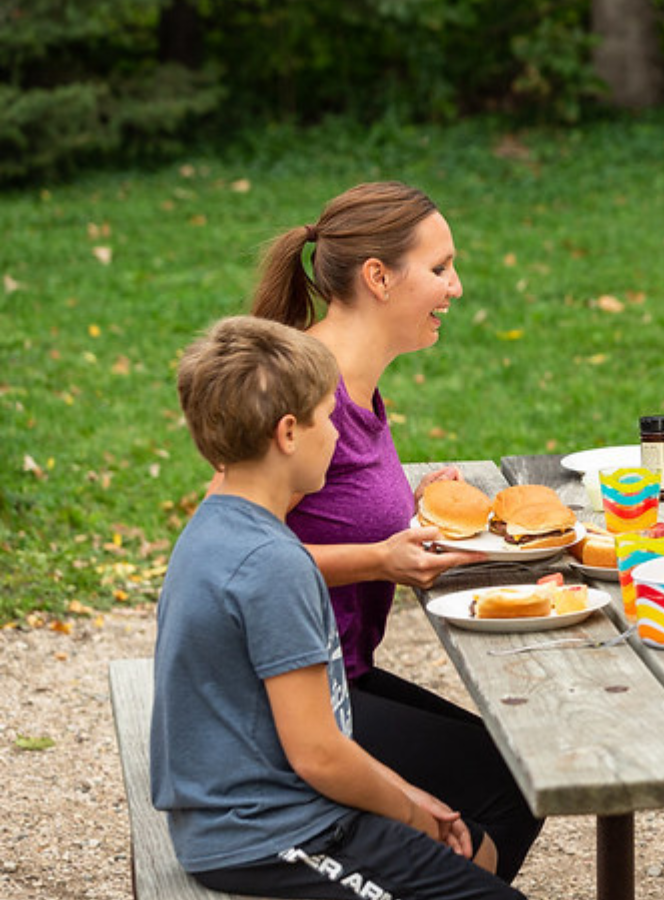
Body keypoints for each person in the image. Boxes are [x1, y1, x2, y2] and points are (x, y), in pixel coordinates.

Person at [153, 316, 524, 899]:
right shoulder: (273, 564)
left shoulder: (218, 526)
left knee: (476, 845)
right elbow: (320, 755)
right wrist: (412, 810)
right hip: (269, 836)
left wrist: (411, 797)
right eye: (328, 416)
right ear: (288, 434)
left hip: (265, 811)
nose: (336, 433)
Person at [250, 181, 539, 883]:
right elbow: (234, 555)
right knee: (509, 783)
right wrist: (380, 556)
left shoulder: (355, 381)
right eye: (439, 269)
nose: (457, 287)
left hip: (341, 672)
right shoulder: (299, 390)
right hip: (279, 699)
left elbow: (331, 502)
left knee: (517, 773)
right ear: (378, 277)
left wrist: (412, 505)